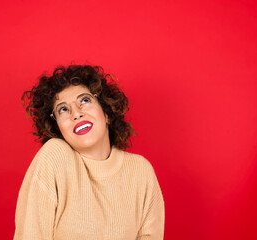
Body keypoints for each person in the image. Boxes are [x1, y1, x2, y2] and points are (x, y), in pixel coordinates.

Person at [14, 65, 165, 240]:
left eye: (85, 100)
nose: (76, 114)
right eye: (63, 109)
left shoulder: (140, 171)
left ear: (106, 113)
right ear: (59, 129)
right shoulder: (55, 157)